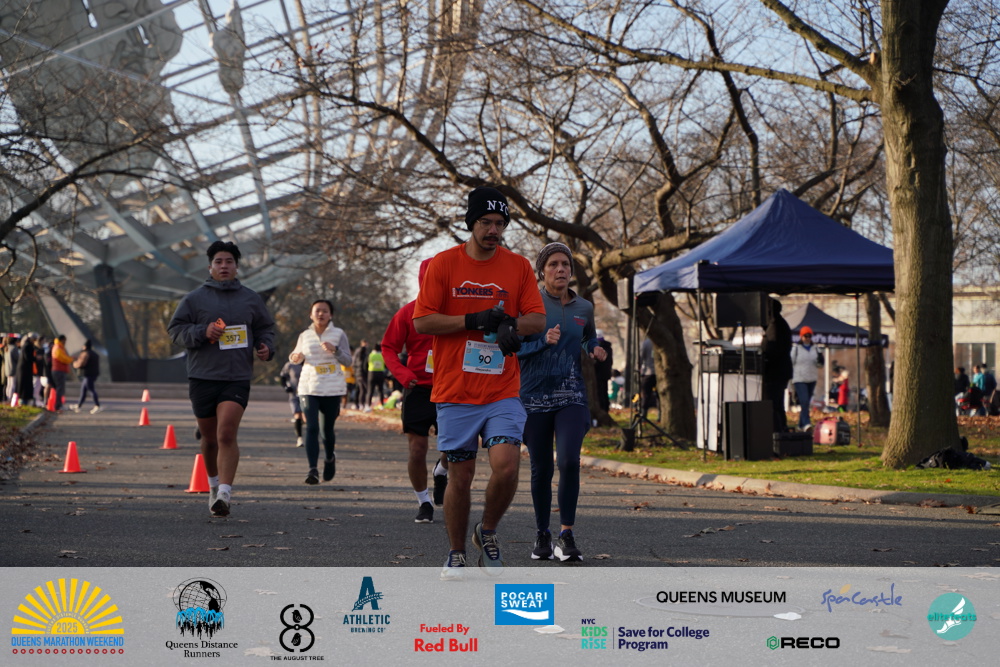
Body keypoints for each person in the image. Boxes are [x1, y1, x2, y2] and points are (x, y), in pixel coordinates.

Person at [413, 186, 545, 580]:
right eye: (486, 222)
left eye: (500, 223)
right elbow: (423, 321)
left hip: (502, 388)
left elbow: (538, 319)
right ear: (471, 223)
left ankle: (486, 531)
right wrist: (473, 320)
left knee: (507, 465)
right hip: (455, 390)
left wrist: (510, 326)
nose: (493, 230)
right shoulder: (444, 264)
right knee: (462, 475)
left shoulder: (518, 266)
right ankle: (455, 553)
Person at [167, 240, 276, 517]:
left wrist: (266, 346)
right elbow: (175, 331)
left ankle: (225, 494)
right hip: (202, 375)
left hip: (236, 375)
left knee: (226, 433)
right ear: (210, 267)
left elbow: (265, 328)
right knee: (209, 439)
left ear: (237, 267)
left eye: (229, 261)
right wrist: (202, 332)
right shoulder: (194, 299)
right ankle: (214, 485)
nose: (224, 266)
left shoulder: (251, 299)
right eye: (218, 262)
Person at [518, 242, 607, 563]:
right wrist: (542, 343)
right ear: (542, 271)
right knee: (541, 468)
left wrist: (593, 347)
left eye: (565, 264)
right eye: (553, 264)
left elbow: (587, 335)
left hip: (571, 395)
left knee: (569, 461)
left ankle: (566, 534)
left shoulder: (584, 307)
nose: (560, 269)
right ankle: (543, 533)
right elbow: (513, 349)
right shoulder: (529, 305)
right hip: (533, 396)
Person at [382, 258, 449, 524]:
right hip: (417, 388)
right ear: (423, 280)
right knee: (417, 449)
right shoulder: (408, 312)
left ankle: (441, 470)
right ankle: (424, 502)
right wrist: (403, 374)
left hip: (451, 388)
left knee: (455, 449)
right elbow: (388, 347)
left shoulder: (457, 312)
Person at [289, 299, 352, 485]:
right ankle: (312, 470)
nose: (321, 314)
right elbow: (294, 356)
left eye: (325, 311)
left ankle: (330, 458)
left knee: (327, 431)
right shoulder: (305, 335)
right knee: (312, 427)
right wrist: (295, 357)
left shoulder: (338, 334)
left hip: (332, 388)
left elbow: (348, 361)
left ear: (330, 315)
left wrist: (336, 350)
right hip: (309, 387)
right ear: (311, 315)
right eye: (317, 311)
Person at [760, 299, 793, 432]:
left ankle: (777, 433)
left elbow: (772, 349)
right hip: (779, 372)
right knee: (777, 405)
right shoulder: (778, 324)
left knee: (772, 405)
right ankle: (780, 432)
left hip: (775, 373)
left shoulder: (775, 326)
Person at [790, 326, 821, 432]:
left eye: (809, 336)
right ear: (801, 336)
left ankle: (800, 425)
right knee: (804, 401)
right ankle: (807, 423)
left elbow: (819, 365)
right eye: (805, 336)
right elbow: (791, 362)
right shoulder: (796, 349)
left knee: (806, 403)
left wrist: (821, 360)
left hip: (811, 378)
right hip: (799, 379)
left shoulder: (815, 348)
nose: (807, 338)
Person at [70, 340, 102, 413]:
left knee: (91, 389)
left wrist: (74, 364)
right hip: (93, 374)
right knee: (83, 390)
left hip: (88, 374)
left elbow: (81, 363)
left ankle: (97, 405)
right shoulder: (94, 354)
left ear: (85, 346)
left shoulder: (86, 353)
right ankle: (79, 405)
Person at [279, 360, 304, 447]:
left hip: (308, 393)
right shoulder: (290, 365)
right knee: (297, 415)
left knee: (306, 417)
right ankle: (300, 438)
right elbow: (282, 377)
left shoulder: (310, 362)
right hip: (294, 394)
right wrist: (286, 387)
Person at [50, 334, 75, 411]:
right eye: (65, 340)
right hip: (58, 370)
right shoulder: (58, 348)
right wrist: (71, 359)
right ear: (62, 340)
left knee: (60, 389)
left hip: (59, 370)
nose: (65, 342)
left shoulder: (59, 347)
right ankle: (58, 405)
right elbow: (63, 358)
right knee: (60, 389)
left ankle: (59, 405)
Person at [593, 330, 613, 414]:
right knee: (604, 392)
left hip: (598, 374)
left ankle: (602, 409)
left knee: (600, 393)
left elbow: (596, 362)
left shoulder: (597, 347)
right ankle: (606, 409)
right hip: (606, 373)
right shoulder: (608, 347)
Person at [15, 333, 37, 406]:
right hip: (25, 369)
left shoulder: (26, 345)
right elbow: (28, 357)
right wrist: (36, 358)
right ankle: (23, 401)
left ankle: (23, 401)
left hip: (24, 369)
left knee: (23, 386)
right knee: (24, 386)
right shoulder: (28, 346)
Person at [639, 337, 657, 418]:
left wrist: (639, 368)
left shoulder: (646, 343)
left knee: (646, 395)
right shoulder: (662, 341)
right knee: (660, 396)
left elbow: (641, 357)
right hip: (658, 374)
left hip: (648, 373)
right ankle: (660, 416)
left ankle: (643, 415)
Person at [365, 343, 387, 411]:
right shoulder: (382, 355)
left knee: (370, 391)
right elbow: (386, 364)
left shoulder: (370, 355)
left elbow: (365, 365)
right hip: (380, 373)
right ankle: (381, 405)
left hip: (371, 373)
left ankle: (368, 405)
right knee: (380, 390)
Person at [352, 339, 369, 410]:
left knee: (359, 389)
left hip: (358, 372)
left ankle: (358, 404)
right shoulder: (361, 351)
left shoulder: (359, 351)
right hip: (361, 372)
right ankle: (361, 404)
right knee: (362, 389)